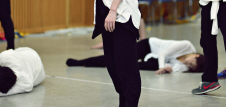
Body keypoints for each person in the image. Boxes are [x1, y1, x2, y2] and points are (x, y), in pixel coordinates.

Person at [67, 37, 205, 73]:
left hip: (154, 57)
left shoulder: (185, 66)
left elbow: (174, 68)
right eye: (191, 63)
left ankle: (121, 66)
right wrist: (163, 67)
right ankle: (81, 62)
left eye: (190, 67)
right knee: (118, 57)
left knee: (128, 65)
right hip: (149, 46)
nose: (188, 65)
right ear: (196, 56)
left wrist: (168, 68)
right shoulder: (187, 45)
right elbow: (163, 53)